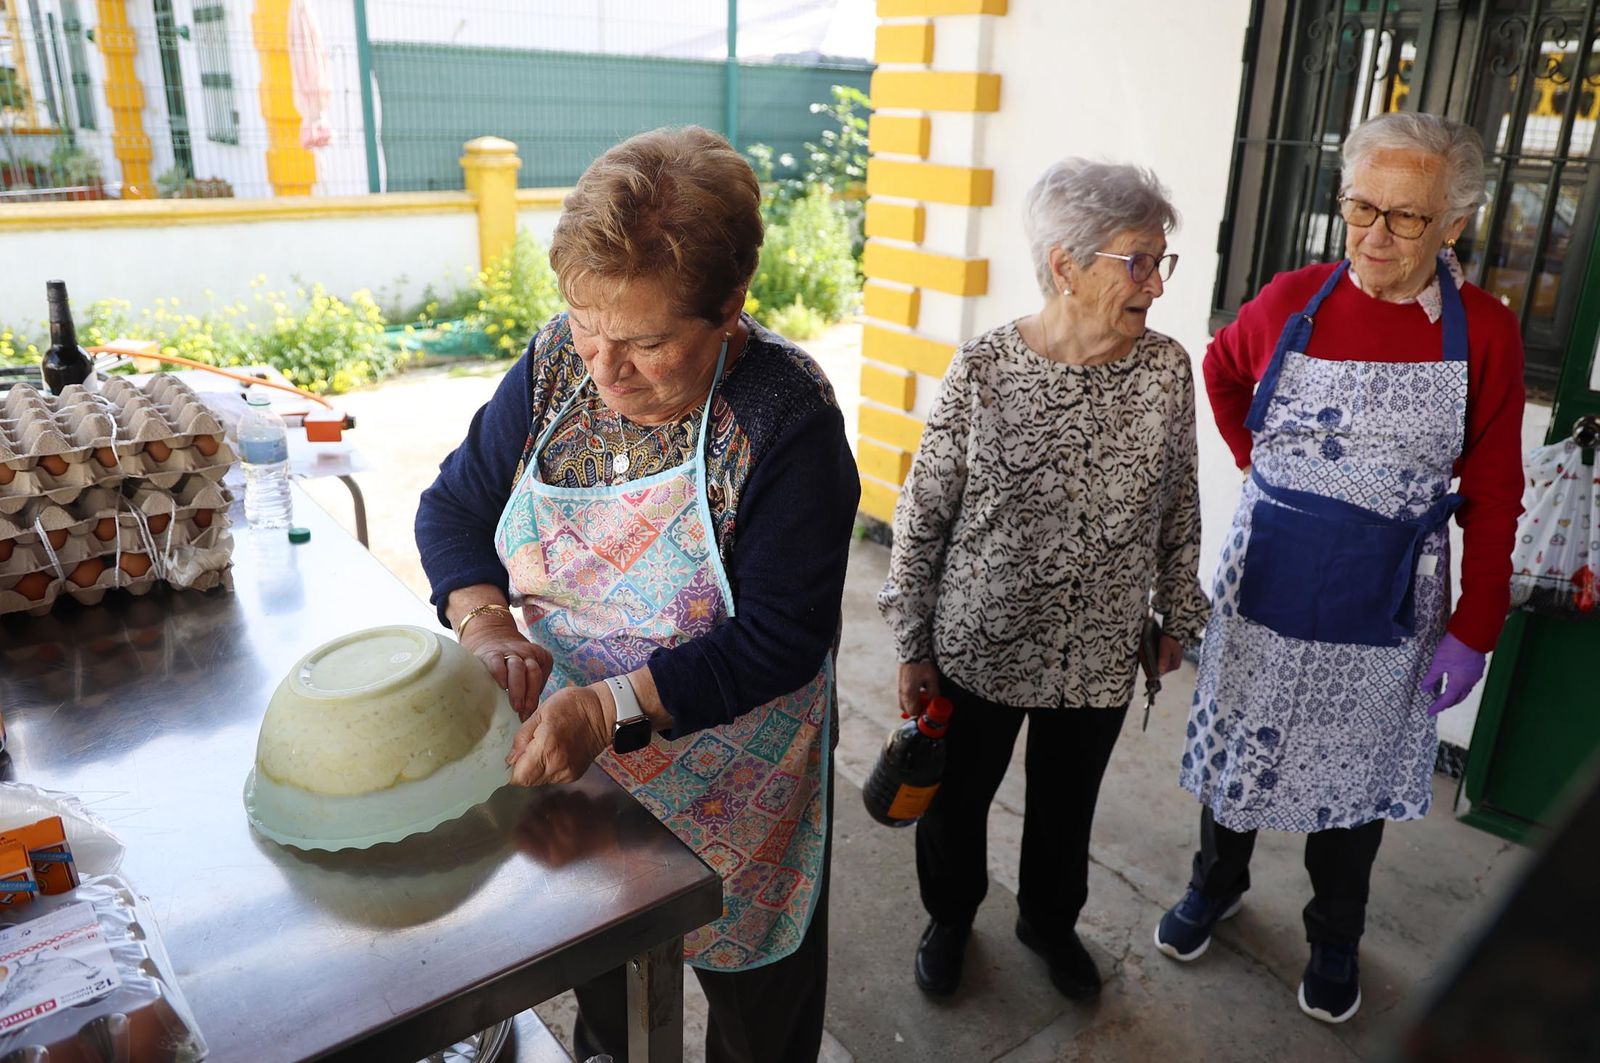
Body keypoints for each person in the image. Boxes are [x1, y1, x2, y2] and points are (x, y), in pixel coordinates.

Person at [415, 126, 858, 1063]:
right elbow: (455, 507)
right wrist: (486, 619)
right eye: (586, 325)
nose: (605, 370)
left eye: (647, 342)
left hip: (744, 776)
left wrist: (612, 704)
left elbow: (784, 633)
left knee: (759, 1020)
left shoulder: (784, 416)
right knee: (610, 990)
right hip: (583, 766)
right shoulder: (551, 371)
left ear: (731, 305)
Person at [1154, 112, 1525, 1024]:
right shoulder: (1291, 300)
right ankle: (1217, 882)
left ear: (1454, 225)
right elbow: (1222, 368)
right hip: (1270, 570)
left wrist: (1477, 627)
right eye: (1364, 208)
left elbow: (1495, 488)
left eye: (1408, 217)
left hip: (1388, 592)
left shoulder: (1482, 331)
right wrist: (1262, 466)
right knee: (1242, 746)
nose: (1378, 236)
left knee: (1353, 781)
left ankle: (1334, 932)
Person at [878, 158, 1210, 1001]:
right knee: (956, 802)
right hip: (980, 641)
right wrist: (911, 641)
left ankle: (1048, 922)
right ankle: (951, 917)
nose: (1154, 286)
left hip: (1097, 649)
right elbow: (923, 516)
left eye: (1160, 261)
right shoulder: (985, 369)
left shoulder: (1168, 371)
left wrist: (1178, 612)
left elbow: (1180, 498)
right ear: (1066, 265)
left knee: (1067, 810)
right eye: (1137, 262)